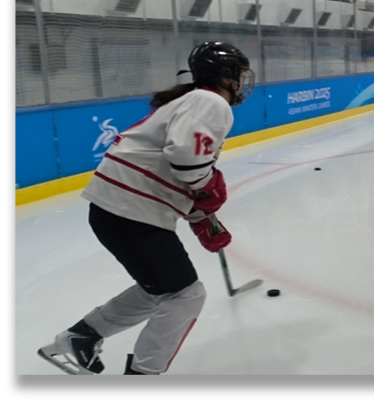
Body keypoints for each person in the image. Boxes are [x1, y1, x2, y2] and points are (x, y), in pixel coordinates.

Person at [37, 42, 255, 376]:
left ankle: (80, 337)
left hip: (119, 210)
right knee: (185, 295)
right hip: (130, 211)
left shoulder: (193, 100)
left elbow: (176, 170)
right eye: (240, 75)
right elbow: (187, 161)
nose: (243, 82)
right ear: (227, 76)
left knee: (166, 289)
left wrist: (201, 216)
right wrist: (208, 187)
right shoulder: (210, 102)